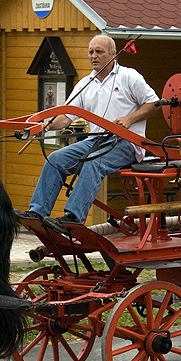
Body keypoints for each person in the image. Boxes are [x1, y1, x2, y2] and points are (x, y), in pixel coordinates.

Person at [20, 33, 159, 233]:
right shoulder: (86, 83)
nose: (94, 56)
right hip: (95, 141)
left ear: (113, 54)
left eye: (99, 52)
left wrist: (129, 120)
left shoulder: (129, 77)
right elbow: (66, 116)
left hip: (126, 143)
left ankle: (73, 219)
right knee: (56, 158)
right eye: (91, 52)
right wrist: (46, 125)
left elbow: (154, 103)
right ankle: (37, 213)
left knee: (93, 162)